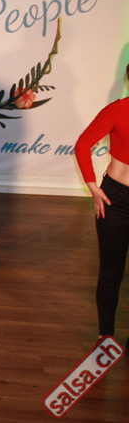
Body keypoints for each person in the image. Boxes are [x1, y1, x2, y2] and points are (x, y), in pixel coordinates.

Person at [75, 66, 129, 346]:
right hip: (115, 199)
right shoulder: (118, 109)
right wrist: (93, 186)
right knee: (111, 271)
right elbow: (83, 143)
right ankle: (105, 335)